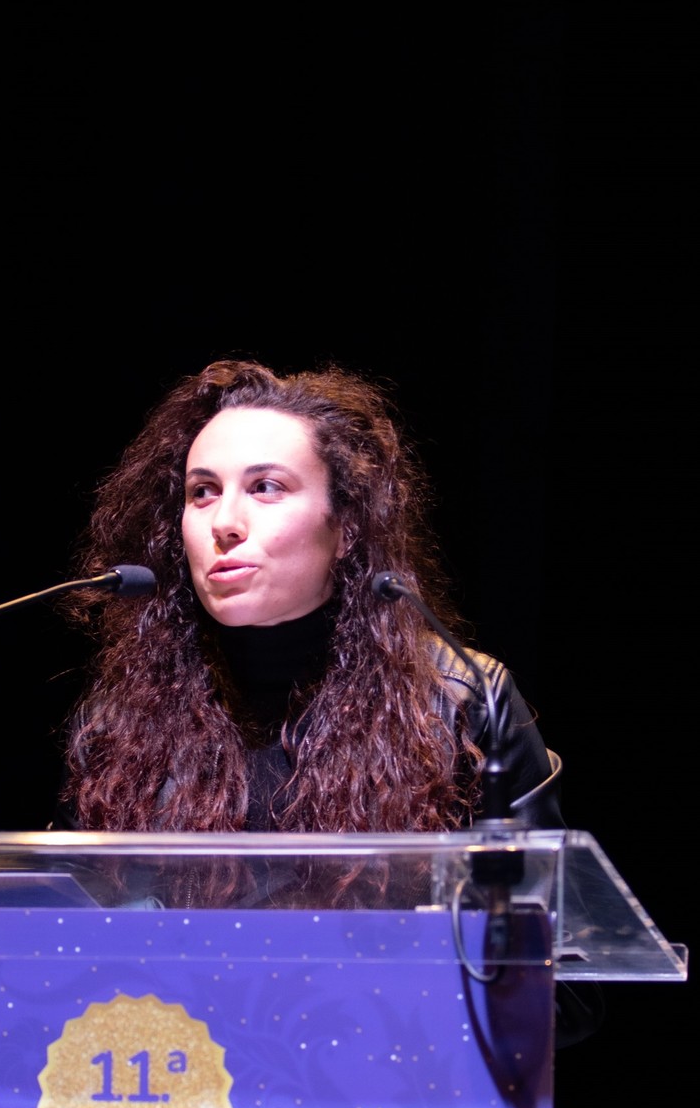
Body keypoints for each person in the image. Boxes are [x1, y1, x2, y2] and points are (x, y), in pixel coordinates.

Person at [59, 357, 560, 837]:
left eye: (267, 487)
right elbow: (73, 905)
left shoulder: (461, 700)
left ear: (345, 528)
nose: (225, 523)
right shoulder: (122, 718)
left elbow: (543, 910)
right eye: (203, 492)